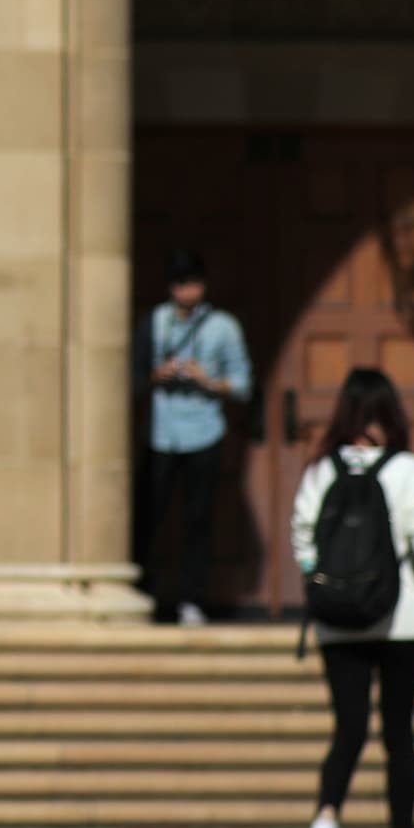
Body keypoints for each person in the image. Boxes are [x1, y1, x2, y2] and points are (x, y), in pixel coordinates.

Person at [291, 366, 414, 828]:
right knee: (399, 734)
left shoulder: (320, 471)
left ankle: (327, 816)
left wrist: (323, 585)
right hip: (403, 619)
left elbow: (302, 540)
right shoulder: (410, 470)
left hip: (337, 621)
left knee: (348, 727)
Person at [143, 251, 252, 624]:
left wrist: (208, 380)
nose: (186, 292)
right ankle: (146, 593)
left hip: (205, 431)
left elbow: (242, 385)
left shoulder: (223, 327)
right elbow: (132, 374)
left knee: (198, 519)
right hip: (162, 433)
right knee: (151, 516)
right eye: (179, 284)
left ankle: (192, 599)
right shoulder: (155, 322)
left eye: (192, 283)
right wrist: (160, 373)